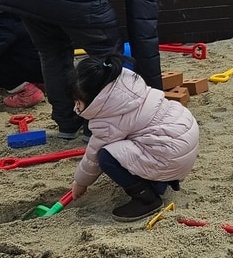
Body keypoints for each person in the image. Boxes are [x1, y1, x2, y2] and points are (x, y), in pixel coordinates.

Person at [0, 0, 192, 139]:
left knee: (53, 54)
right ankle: (96, 126)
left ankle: (67, 123)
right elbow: (143, 36)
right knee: (107, 55)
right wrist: (156, 97)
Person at [68, 55, 200, 222]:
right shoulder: (128, 89)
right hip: (179, 142)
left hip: (169, 154)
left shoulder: (108, 120)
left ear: (95, 100)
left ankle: (146, 198)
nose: (76, 108)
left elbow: (92, 156)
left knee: (106, 156)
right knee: (129, 146)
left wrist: (80, 182)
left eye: (78, 103)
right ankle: (160, 182)